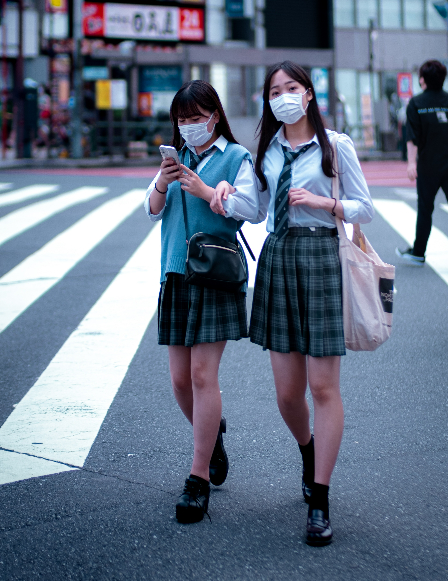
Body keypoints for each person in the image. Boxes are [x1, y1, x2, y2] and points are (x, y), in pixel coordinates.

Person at [211, 61, 374, 547]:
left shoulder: (335, 146)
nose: (283, 96)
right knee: (287, 394)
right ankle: (308, 450)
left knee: (324, 387)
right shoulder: (267, 150)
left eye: (292, 88)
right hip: (279, 256)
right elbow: (256, 209)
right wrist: (224, 194)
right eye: (275, 90)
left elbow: (365, 206)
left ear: (308, 95)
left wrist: (327, 204)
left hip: (322, 255)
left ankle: (320, 500)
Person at [145, 80, 258, 524]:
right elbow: (152, 211)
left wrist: (209, 192)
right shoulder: (176, 159)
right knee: (178, 380)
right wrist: (162, 181)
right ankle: (214, 437)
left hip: (214, 276)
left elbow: (252, 209)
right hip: (175, 274)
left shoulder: (236, 157)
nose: (189, 126)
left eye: (196, 118)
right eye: (182, 119)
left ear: (215, 115)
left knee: (201, 374)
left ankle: (198, 478)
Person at [396, 60, 448, 264]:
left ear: (422, 80)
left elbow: (412, 137)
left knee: (426, 209)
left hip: (428, 167)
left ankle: (418, 252)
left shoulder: (416, 103)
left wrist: (411, 163)